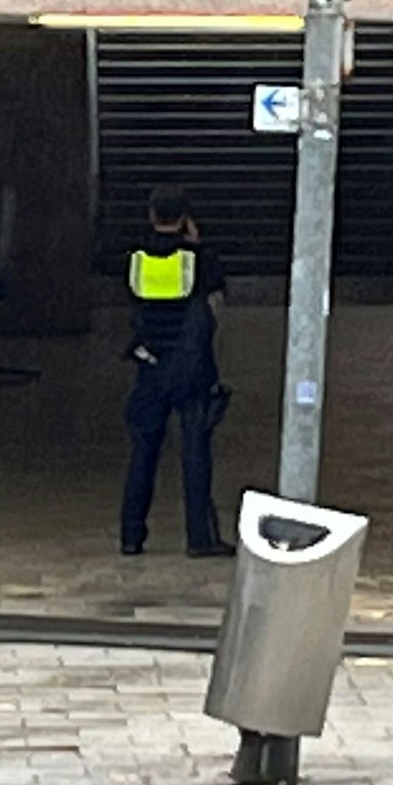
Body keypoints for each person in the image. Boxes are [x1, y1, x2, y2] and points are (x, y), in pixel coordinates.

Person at [119, 186, 234, 558]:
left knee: (143, 454)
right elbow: (216, 306)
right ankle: (201, 538)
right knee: (196, 453)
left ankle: (131, 535)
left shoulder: (137, 257)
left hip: (150, 365)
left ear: (152, 215)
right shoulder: (200, 259)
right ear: (186, 218)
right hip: (191, 369)